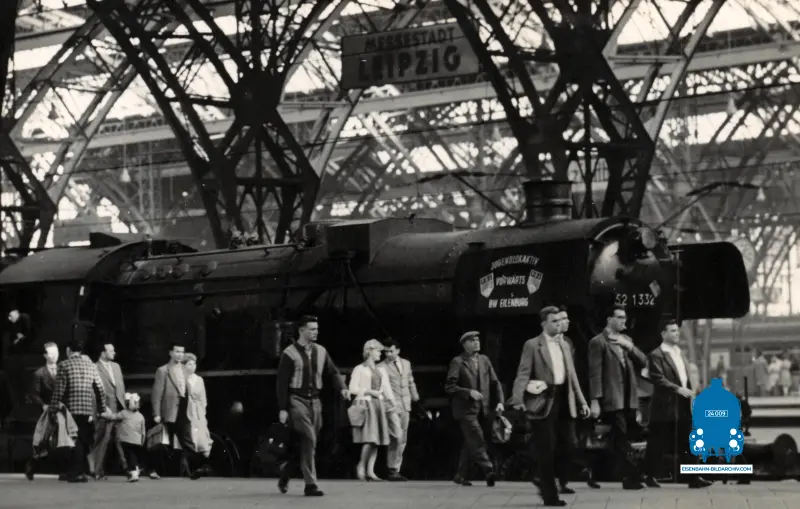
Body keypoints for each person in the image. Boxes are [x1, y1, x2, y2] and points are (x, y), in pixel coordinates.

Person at [511, 306, 589, 507]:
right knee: (546, 448)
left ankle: (544, 476)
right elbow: (523, 373)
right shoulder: (532, 345)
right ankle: (550, 495)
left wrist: (582, 401)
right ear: (544, 324)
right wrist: (517, 400)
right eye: (554, 321)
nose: (558, 324)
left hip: (564, 399)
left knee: (570, 444)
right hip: (543, 399)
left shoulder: (565, 344)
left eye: (559, 321)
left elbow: (572, 376)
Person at [276, 315, 350, 497]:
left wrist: (343, 388)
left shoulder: (321, 351)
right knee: (309, 438)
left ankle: (287, 470)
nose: (316, 332)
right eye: (312, 329)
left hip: (315, 401)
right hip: (296, 400)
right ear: (301, 330)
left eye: (317, 329)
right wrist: (283, 408)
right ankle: (311, 485)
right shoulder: (289, 353)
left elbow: (333, 372)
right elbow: (282, 382)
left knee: (308, 443)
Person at [643, 320, 712, 489]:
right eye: (672, 331)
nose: (676, 334)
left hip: (682, 405)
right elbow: (658, 378)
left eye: (677, 331)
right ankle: (647, 475)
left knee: (688, 441)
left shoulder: (679, 353)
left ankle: (693, 477)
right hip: (665, 407)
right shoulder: (656, 355)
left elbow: (686, 378)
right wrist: (678, 389)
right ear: (663, 334)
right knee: (658, 443)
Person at [587, 305, 647, 490]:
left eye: (624, 318)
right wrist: (595, 400)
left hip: (628, 398)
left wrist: (630, 346)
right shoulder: (598, 342)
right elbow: (595, 374)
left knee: (616, 438)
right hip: (612, 398)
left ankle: (591, 471)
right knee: (620, 437)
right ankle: (631, 477)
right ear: (609, 320)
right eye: (619, 317)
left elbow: (644, 361)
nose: (624, 321)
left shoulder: (626, 340)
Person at [445, 330, 502, 488]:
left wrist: (500, 401)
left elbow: (495, 382)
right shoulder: (458, 362)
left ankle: (460, 475)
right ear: (465, 345)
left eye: (477, 340)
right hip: (465, 410)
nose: (477, 342)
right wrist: (468, 392)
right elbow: (449, 386)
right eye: (472, 341)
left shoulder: (484, 360)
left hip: (482, 408)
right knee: (477, 438)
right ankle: (489, 470)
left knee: (470, 442)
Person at [49, 338, 111, 483]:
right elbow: (100, 389)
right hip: (87, 410)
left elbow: (59, 390)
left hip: (69, 409)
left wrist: (53, 408)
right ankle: (80, 471)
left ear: (68, 350)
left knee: (72, 439)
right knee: (82, 439)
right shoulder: (91, 365)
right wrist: (101, 408)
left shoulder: (64, 365)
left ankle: (75, 472)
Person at [152, 343, 210, 480]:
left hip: (185, 408)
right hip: (170, 409)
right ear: (170, 353)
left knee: (187, 439)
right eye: (177, 352)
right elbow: (157, 393)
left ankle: (195, 468)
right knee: (166, 441)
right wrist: (156, 413)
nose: (180, 355)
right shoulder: (163, 370)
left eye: (182, 352)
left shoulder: (185, 369)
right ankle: (157, 469)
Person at [349, 339, 396, 481]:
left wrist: (392, 402)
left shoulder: (381, 370)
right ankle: (361, 465)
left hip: (378, 405)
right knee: (370, 439)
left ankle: (370, 470)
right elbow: (353, 388)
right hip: (367, 404)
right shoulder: (359, 369)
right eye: (378, 351)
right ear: (369, 351)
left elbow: (386, 388)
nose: (380, 354)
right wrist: (369, 391)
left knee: (376, 441)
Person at [378, 338, 420, 482]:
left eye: (391, 351)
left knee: (403, 438)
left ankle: (395, 469)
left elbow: (410, 381)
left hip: (406, 404)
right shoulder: (381, 366)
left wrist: (415, 397)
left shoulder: (406, 363)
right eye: (386, 351)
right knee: (396, 436)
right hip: (391, 405)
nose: (388, 354)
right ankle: (392, 469)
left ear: (398, 350)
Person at [89, 341, 126, 480]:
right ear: (103, 353)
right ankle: (97, 470)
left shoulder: (116, 366)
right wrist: (103, 408)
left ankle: (127, 467)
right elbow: (94, 391)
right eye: (111, 351)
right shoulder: (94, 367)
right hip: (105, 409)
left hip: (119, 408)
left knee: (121, 438)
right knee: (102, 440)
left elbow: (120, 387)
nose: (114, 353)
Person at [25, 342, 61, 481]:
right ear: (45, 355)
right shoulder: (39, 373)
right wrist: (43, 405)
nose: (55, 356)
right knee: (42, 440)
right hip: (46, 411)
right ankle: (32, 465)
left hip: (61, 409)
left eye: (56, 352)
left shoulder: (63, 369)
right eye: (51, 353)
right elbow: (34, 393)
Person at [182, 353, 213, 474]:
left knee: (201, 436)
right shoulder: (181, 379)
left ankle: (200, 464)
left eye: (194, 364)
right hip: (186, 410)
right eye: (189, 364)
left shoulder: (199, 380)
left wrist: (202, 411)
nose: (192, 366)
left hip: (197, 411)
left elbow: (203, 398)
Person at [114, 392, 147, 482]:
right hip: (137, 441)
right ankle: (136, 469)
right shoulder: (141, 416)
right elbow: (143, 431)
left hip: (125, 440)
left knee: (129, 456)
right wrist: (142, 441)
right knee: (134, 456)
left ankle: (133, 472)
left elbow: (114, 417)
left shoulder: (123, 413)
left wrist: (103, 414)